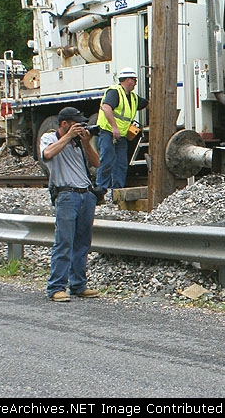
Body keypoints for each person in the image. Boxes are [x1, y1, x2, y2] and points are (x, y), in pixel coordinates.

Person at [41, 106, 101, 302]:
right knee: (64, 242)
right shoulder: (49, 138)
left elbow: (96, 163)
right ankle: (56, 287)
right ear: (64, 124)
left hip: (85, 195)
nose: (80, 127)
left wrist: (85, 143)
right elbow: (47, 154)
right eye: (76, 124)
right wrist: (68, 137)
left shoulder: (78, 143)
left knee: (82, 243)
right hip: (66, 195)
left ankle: (78, 285)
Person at [95, 67, 148, 198]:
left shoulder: (133, 98)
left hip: (121, 136)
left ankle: (117, 192)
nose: (135, 83)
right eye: (134, 80)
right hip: (108, 132)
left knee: (121, 163)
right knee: (107, 161)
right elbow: (106, 108)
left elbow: (147, 104)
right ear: (128, 80)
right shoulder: (115, 92)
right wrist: (114, 127)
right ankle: (100, 191)